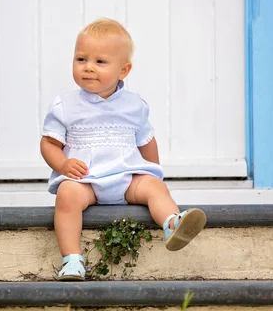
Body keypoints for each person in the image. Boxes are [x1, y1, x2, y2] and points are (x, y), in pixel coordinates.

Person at [40, 17, 206, 281]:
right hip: (87, 181)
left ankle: (173, 223)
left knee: (154, 187)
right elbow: (49, 143)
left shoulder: (134, 104)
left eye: (100, 62)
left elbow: (146, 141)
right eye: (81, 59)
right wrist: (62, 165)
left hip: (127, 178)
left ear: (123, 70)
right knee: (67, 195)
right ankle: (72, 259)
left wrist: (154, 174)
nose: (88, 68)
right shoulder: (65, 105)